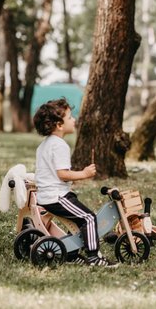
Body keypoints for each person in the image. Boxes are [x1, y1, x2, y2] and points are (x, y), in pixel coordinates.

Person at [33, 98, 118, 267]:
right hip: (55, 197)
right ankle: (94, 257)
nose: (74, 120)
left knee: (78, 219)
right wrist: (85, 173)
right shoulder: (59, 145)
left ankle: (71, 254)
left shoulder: (45, 145)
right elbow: (63, 175)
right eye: (70, 117)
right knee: (88, 218)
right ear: (59, 124)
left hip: (46, 196)